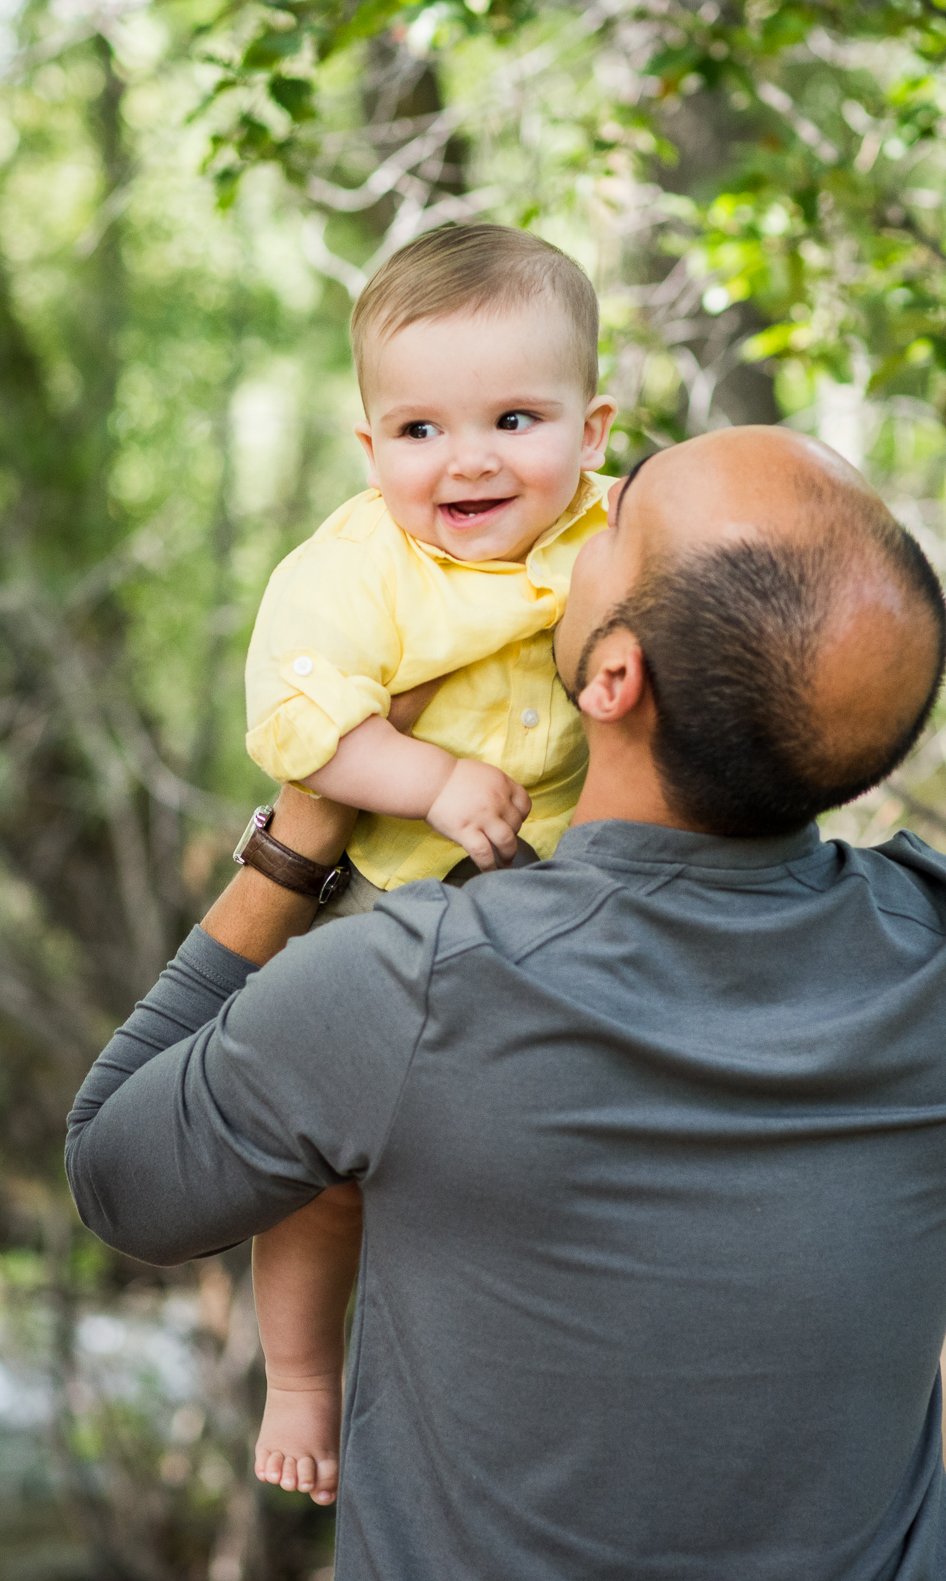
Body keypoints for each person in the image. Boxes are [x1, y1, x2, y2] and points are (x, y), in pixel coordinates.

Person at [66, 427, 946, 1581]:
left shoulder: (411, 986)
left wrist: (300, 840)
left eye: (613, 521)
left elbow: (115, 1173)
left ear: (614, 678)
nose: (586, 507)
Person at [241, 221, 618, 1499]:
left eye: (517, 418)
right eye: (419, 431)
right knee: (318, 1152)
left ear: (595, 431)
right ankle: (299, 1374)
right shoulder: (356, 567)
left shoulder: (617, 539)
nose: (466, 459)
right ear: (370, 448)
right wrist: (432, 778)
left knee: (551, 1159)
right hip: (388, 907)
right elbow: (298, 720)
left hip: (573, 909)